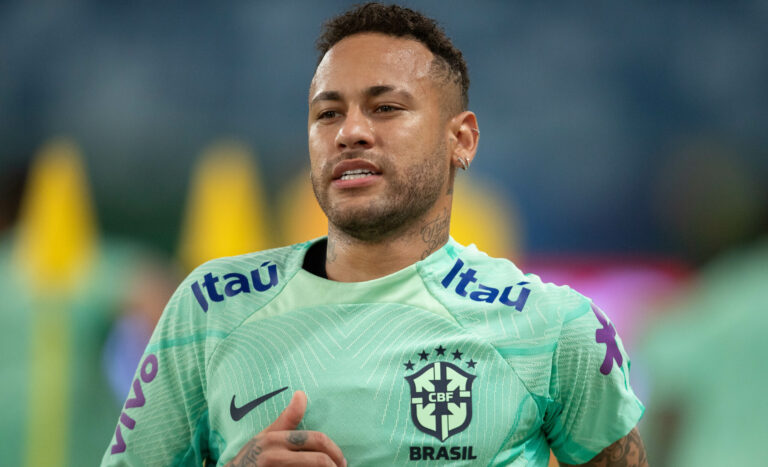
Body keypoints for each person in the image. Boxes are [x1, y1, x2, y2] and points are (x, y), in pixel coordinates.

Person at [101, 3, 646, 466]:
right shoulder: (210, 308)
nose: (350, 132)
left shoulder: (553, 328)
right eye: (327, 114)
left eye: (386, 108)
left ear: (462, 140)